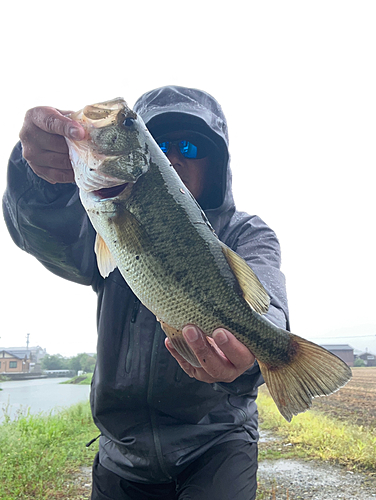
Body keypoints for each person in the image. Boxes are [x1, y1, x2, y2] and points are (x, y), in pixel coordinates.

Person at [3, 86, 289, 500]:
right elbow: (43, 230)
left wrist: (257, 351)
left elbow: (268, 306)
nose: (173, 157)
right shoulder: (105, 215)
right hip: (121, 450)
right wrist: (36, 176)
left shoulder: (246, 232)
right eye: (160, 144)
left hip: (218, 445)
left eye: (190, 147)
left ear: (218, 163)